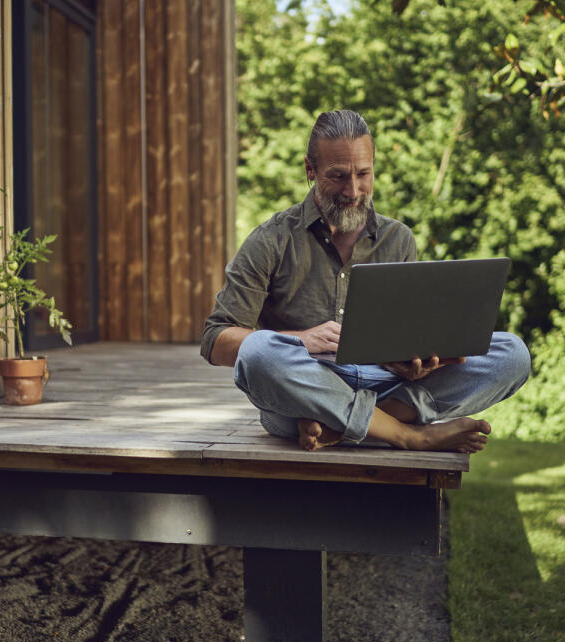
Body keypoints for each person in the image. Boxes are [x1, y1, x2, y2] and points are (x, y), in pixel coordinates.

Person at [200, 110, 531, 454]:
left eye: (363, 174)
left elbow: (408, 335)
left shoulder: (398, 238)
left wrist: (414, 362)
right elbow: (215, 340)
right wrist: (302, 340)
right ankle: (408, 434)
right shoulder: (272, 239)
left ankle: (347, 426)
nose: (353, 190)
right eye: (339, 176)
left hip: (385, 386)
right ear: (309, 170)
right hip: (303, 392)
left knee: (512, 354)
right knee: (258, 353)